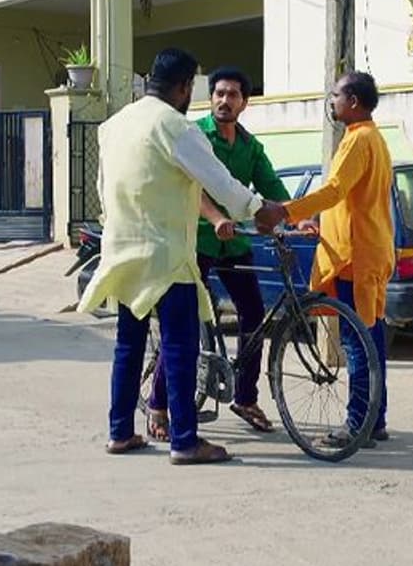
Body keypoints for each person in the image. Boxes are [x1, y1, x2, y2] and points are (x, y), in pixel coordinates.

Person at [78, 49, 288, 465]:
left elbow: (103, 187)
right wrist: (256, 209)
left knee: (129, 345)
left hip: (123, 250)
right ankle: (185, 441)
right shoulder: (176, 127)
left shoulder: (115, 125)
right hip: (166, 256)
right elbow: (220, 183)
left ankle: (120, 432)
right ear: (186, 87)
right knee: (180, 347)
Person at [146, 67, 293, 440]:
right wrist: (215, 218)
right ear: (210, 98)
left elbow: (272, 187)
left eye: (233, 95)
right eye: (219, 94)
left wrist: (297, 216)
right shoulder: (194, 135)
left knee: (254, 315)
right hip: (196, 240)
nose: (225, 101)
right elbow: (192, 185)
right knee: (185, 323)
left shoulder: (250, 147)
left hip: (234, 243)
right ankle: (158, 404)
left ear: (244, 102)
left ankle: (245, 397)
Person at [284, 71, 393, 446]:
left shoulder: (358, 140)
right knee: (371, 339)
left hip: (355, 257)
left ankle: (358, 423)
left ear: (354, 102)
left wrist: (287, 211)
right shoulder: (372, 138)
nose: (332, 102)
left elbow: (334, 190)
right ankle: (374, 419)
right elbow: (349, 199)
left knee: (356, 343)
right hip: (371, 250)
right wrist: (318, 220)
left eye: (336, 96)